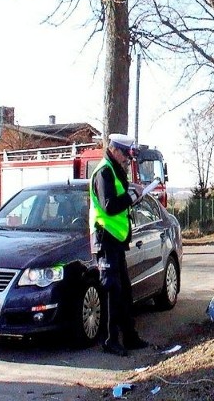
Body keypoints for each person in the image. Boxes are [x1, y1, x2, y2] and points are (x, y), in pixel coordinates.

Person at [89, 133, 149, 356]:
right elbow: (109, 206)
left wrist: (133, 192)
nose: (126, 159)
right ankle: (110, 340)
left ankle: (130, 337)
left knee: (123, 291)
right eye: (124, 154)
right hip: (106, 241)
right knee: (112, 291)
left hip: (117, 241)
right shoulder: (104, 171)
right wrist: (131, 196)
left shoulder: (114, 170)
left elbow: (121, 197)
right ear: (114, 150)